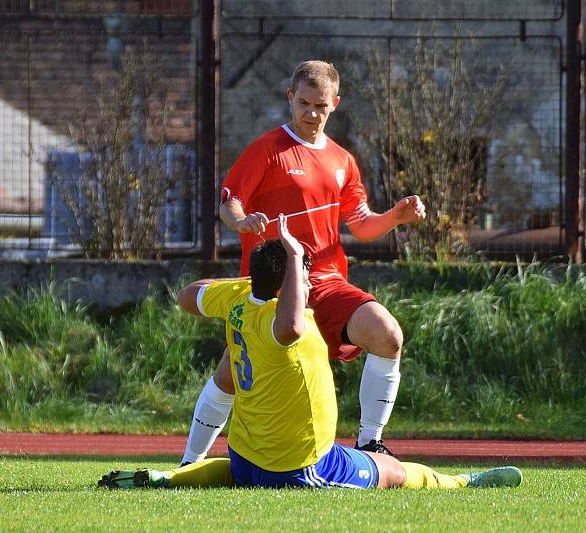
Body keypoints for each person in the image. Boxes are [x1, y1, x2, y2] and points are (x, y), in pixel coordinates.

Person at [99, 215, 522, 490]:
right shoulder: (289, 325)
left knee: (239, 474)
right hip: (300, 467)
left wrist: (253, 279)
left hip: (245, 456)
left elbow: (189, 296)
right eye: (305, 272)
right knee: (391, 472)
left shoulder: (240, 297)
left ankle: (169, 478)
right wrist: (295, 255)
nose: (311, 279)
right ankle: (465, 482)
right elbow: (289, 325)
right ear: (288, 288)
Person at [181, 59, 426, 465]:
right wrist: (243, 222)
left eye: (321, 106)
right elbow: (229, 205)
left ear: (335, 104)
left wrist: (395, 218)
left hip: (325, 281)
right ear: (290, 98)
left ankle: (369, 442)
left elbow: (361, 224)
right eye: (305, 104)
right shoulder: (266, 150)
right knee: (230, 374)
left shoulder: (343, 161)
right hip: (272, 286)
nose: (312, 114)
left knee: (388, 336)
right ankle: (190, 462)